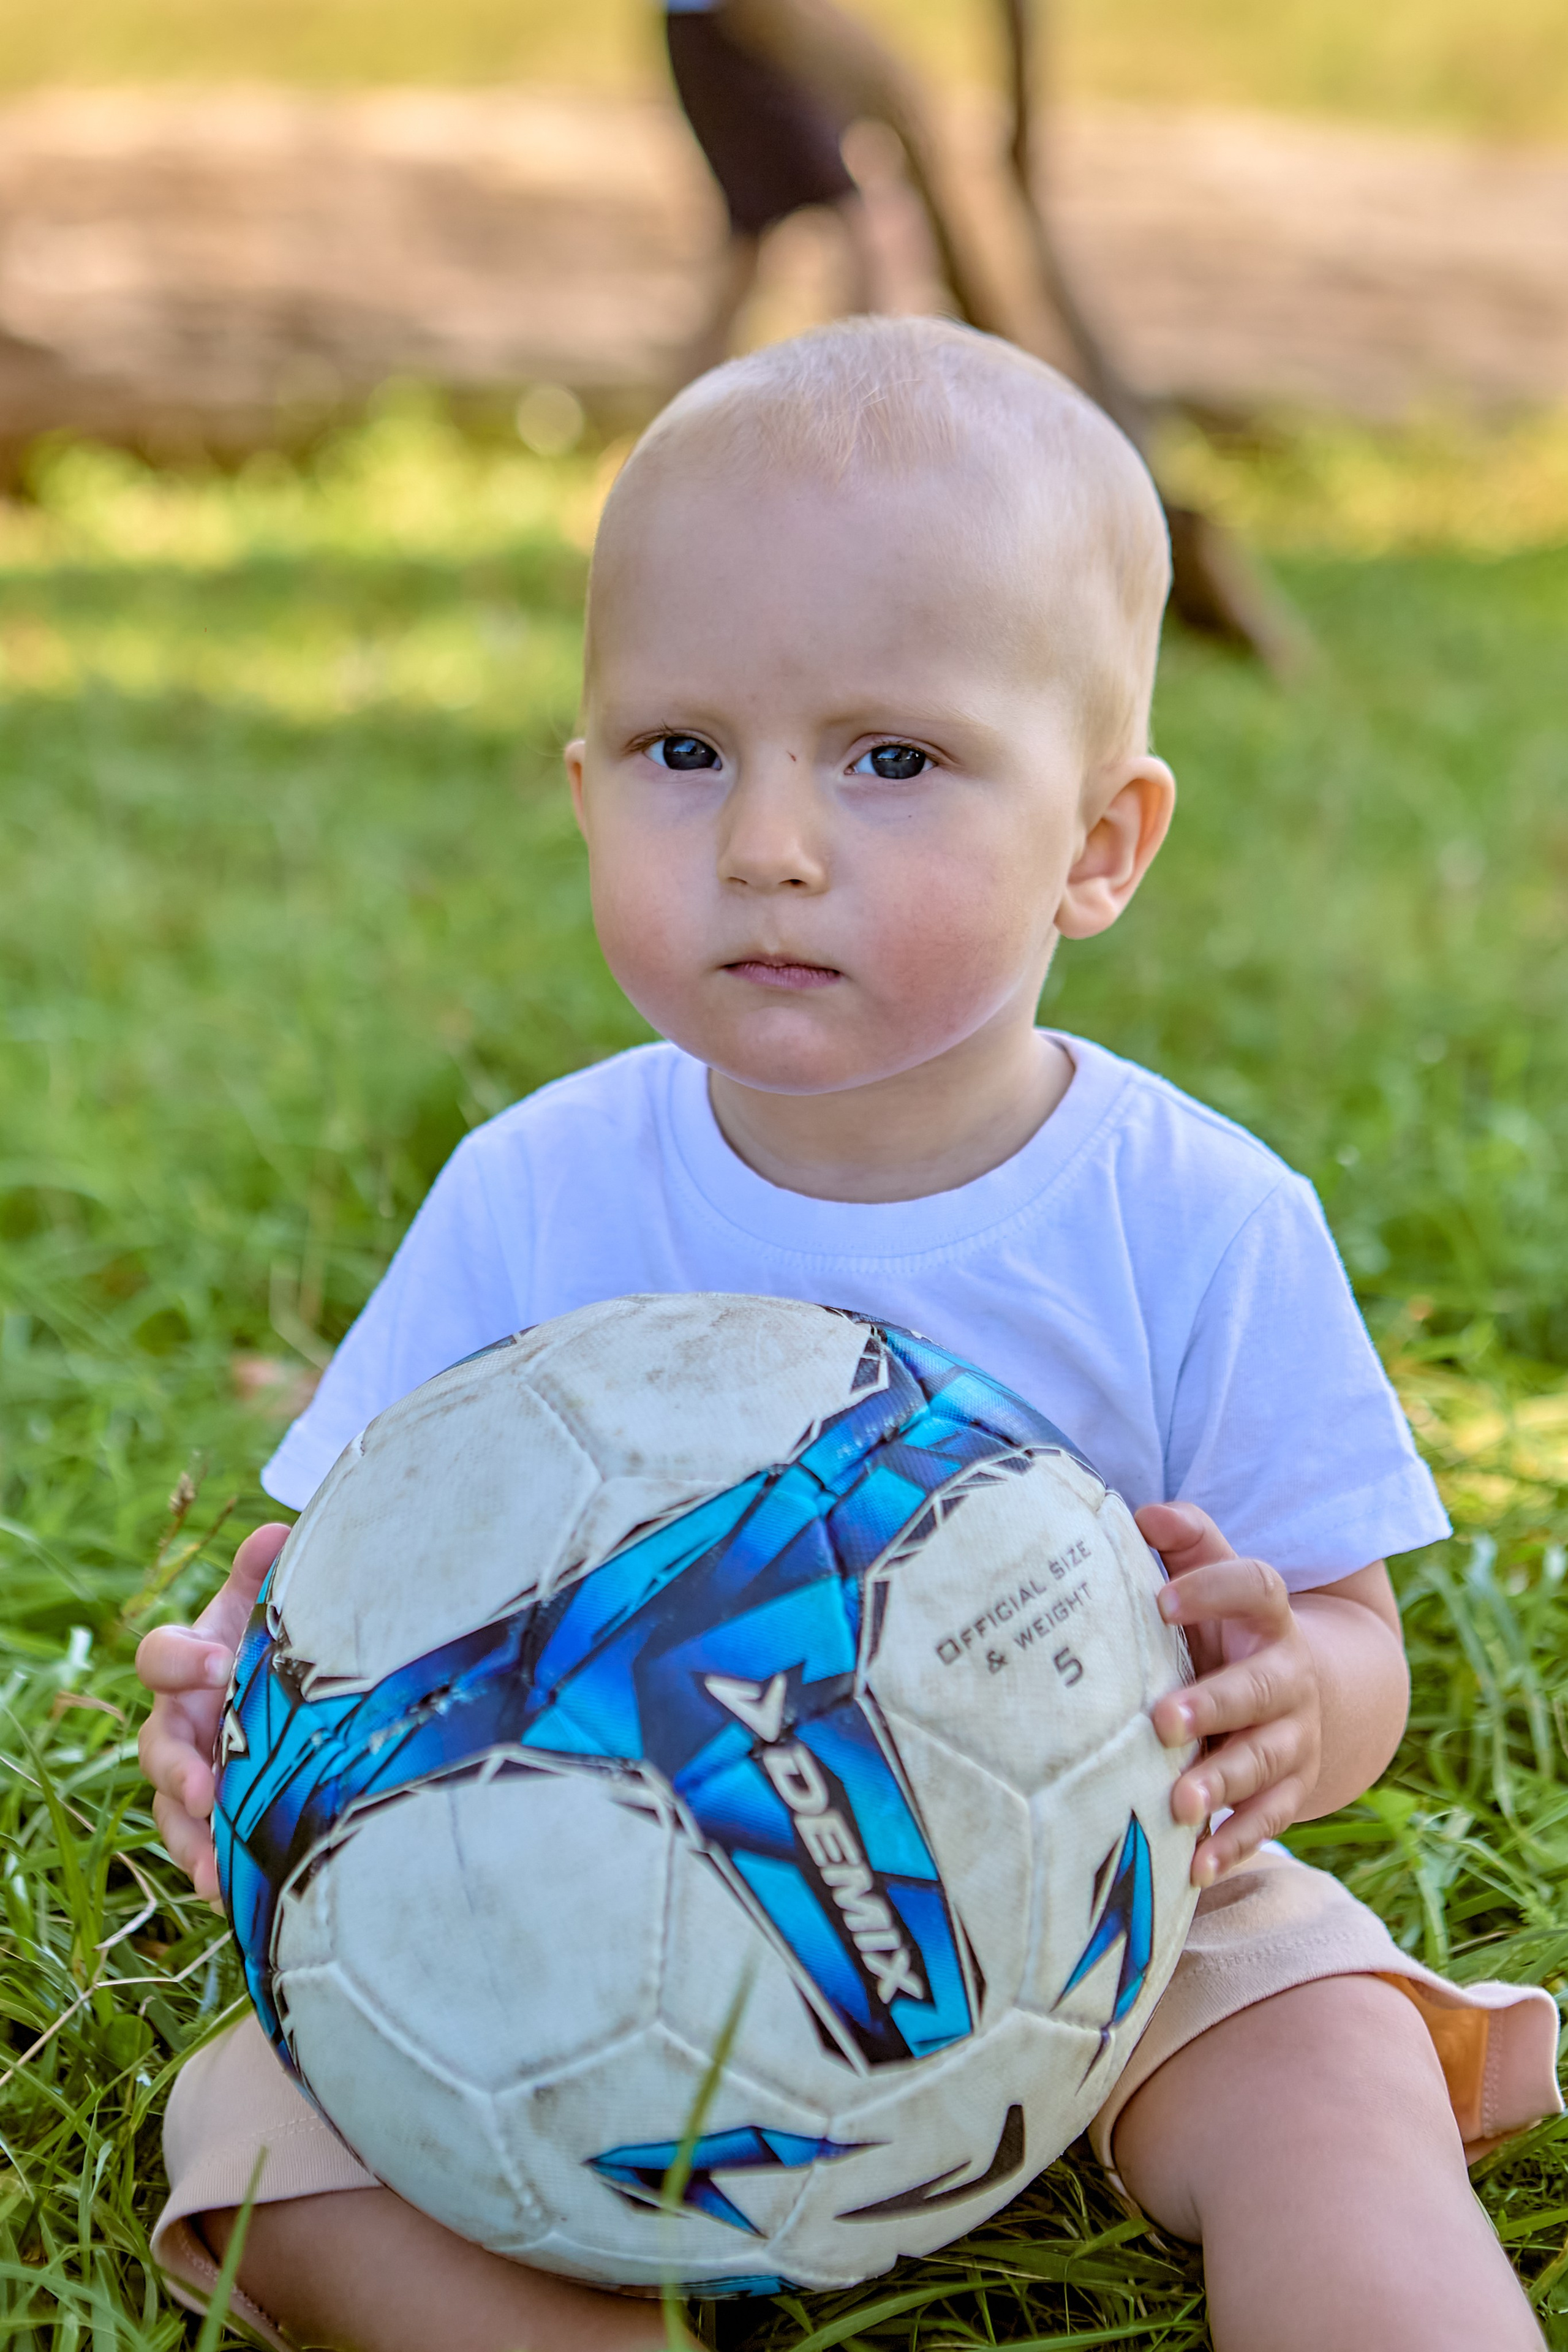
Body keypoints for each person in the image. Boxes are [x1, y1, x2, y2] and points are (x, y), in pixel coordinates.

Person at [137, 316, 1559, 2352]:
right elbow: (334, 1591)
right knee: (273, 2137)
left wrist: (1292, 1701)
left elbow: (1346, 1638)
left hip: (1097, 1923)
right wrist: (240, 1720)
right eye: (682, 751)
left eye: (892, 759)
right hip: (566, 1949)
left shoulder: (1193, 1216)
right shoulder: (536, 1194)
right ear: (582, 785)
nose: (769, 842)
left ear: (1101, 845)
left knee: (1323, 2064)